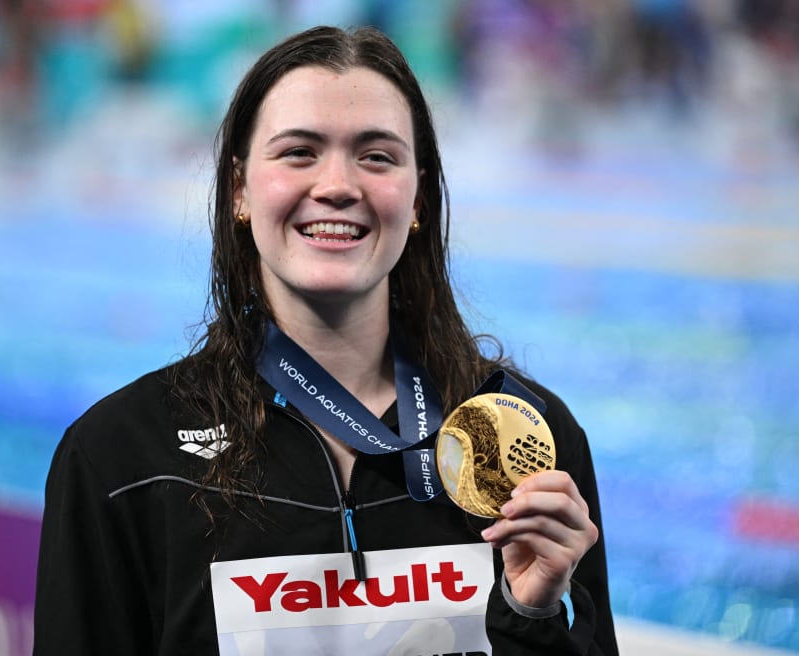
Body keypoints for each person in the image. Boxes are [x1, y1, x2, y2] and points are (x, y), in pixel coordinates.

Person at [34, 25, 618, 656]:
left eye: (377, 156)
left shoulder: (523, 442)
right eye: (299, 152)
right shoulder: (124, 459)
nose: (338, 184)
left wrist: (527, 613)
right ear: (239, 189)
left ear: (418, 196)